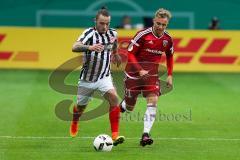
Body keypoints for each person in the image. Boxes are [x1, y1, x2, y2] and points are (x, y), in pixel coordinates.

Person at [70, 6, 125, 146]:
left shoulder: (113, 34)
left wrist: (116, 54)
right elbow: (74, 46)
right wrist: (89, 47)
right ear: (95, 21)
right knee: (81, 107)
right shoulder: (89, 33)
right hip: (87, 79)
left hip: (104, 77)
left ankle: (115, 135)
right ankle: (75, 121)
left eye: (107, 23)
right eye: (102, 23)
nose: (105, 26)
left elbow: (114, 44)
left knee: (114, 98)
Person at [120, 8, 174, 147]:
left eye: (164, 25)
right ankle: (124, 104)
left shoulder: (167, 39)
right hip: (133, 73)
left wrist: (169, 75)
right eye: (159, 24)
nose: (161, 27)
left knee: (153, 101)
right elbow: (130, 54)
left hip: (151, 76)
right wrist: (140, 70)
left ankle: (145, 135)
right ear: (154, 21)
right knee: (130, 107)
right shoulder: (142, 35)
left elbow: (169, 56)